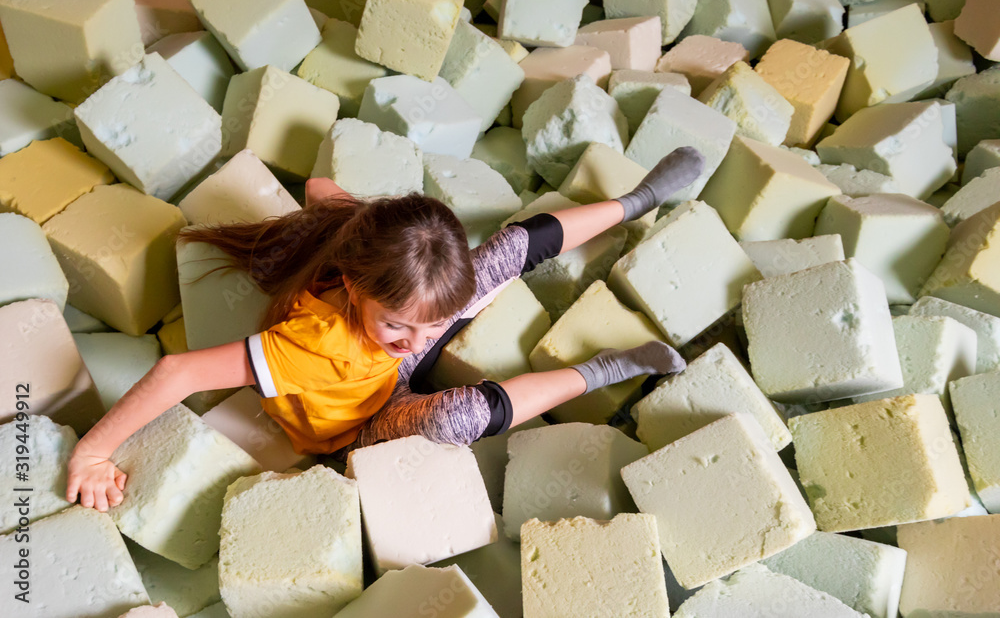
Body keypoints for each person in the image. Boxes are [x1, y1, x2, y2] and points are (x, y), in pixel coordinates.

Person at [65, 146, 706, 513]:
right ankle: (607, 368)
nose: (420, 342)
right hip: (363, 424)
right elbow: (177, 372)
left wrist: (405, 310)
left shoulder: (369, 249)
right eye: (398, 325)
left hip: (383, 330)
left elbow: (320, 186)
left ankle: (638, 200)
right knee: (458, 415)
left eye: (431, 326)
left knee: (507, 250)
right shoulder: (312, 347)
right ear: (351, 284)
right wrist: (92, 453)